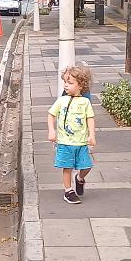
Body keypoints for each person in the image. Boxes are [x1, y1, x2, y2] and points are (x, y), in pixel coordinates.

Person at [47, 66, 97, 204]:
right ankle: (68, 191)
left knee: (87, 166)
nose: (66, 85)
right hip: (65, 142)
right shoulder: (61, 101)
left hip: (81, 142)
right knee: (67, 167)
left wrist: (92, 135)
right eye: (65, 82)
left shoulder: (85, 102)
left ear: (80, 85)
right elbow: (51, 114)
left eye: (70, 83)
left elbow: (90, 118)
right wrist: (52, 131)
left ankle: (80, 179)